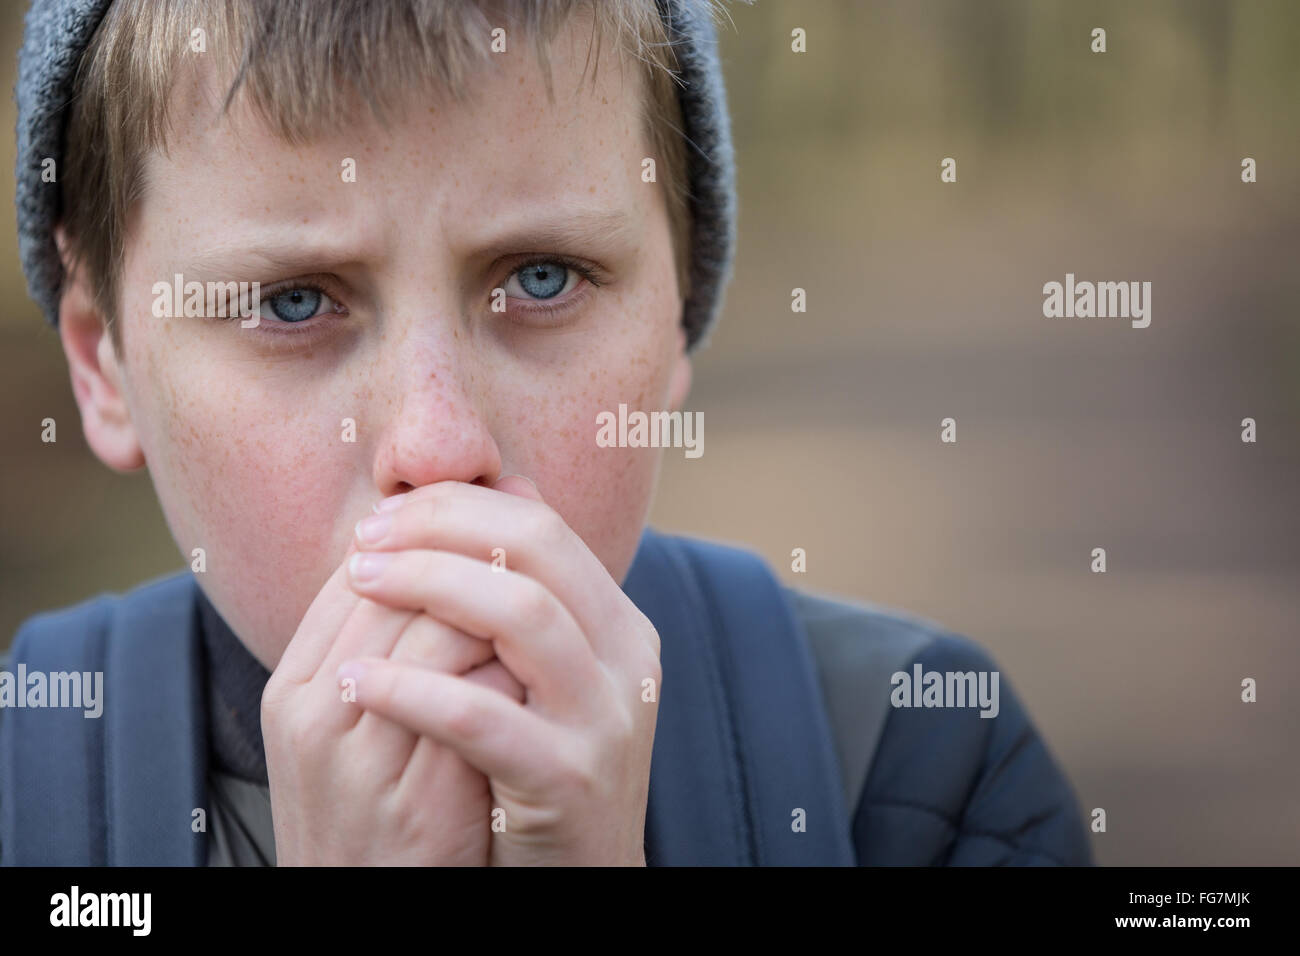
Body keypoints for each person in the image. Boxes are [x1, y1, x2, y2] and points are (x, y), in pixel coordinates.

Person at [1, 0, 1092, 865]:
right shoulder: (29, 790)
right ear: (105, 364)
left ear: (677, 310)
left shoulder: (919, 774)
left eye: (541, 277)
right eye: (292, 302)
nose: (435, 447)